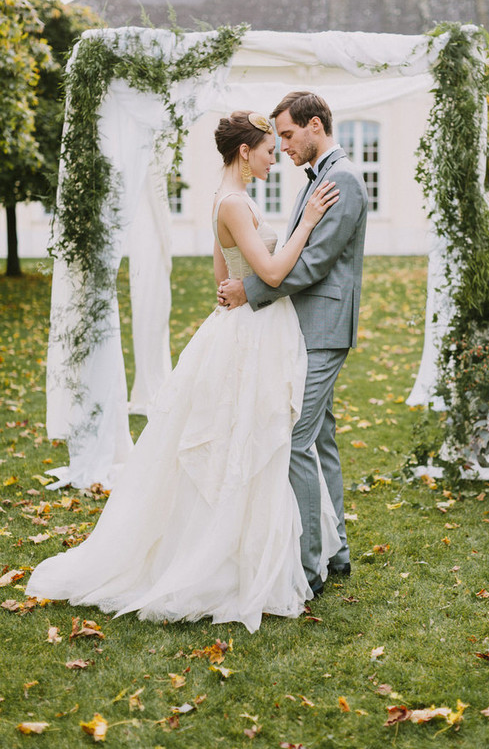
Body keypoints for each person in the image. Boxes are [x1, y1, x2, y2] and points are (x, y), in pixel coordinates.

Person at [26, 110, 341, 633]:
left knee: (253, 437)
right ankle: (228, 557)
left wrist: (241, 283)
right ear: (245, 152)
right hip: (254, 331)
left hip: (247, 324)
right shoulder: (235, 203)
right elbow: (269, 272)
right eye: (269, 152)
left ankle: (254, 548)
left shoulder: (227, 198)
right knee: (249, 439)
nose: (274, 160)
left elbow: (223, 276)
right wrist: (306, 223)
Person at [218, 92, 368, 597]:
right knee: (320, 437)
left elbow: (314, 264)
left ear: (315, 125)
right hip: (305, 325)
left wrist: (250, 291)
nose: (282, 146)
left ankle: (308, 567)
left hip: (324, 327)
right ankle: (336, 553)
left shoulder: (343, 179)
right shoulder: (318, 177)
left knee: (296, 439)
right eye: (277, 137)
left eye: (287, 134)